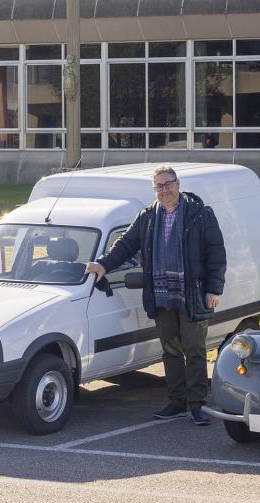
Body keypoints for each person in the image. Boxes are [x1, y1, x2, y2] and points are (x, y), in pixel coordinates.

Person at [86, 165, 226, 425]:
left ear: (178, 183)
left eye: (168, 184)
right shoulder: (148, 216)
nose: (165, 190)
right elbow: (126, 245)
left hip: (192, 293)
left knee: (194, 350)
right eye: (159, 186)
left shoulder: (200, 214)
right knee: (170, 350)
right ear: (155, 190)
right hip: (161, 295)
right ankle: (177, 400)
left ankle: (197, 404)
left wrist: (213, 289)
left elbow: (216, 253)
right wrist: (103, 264)